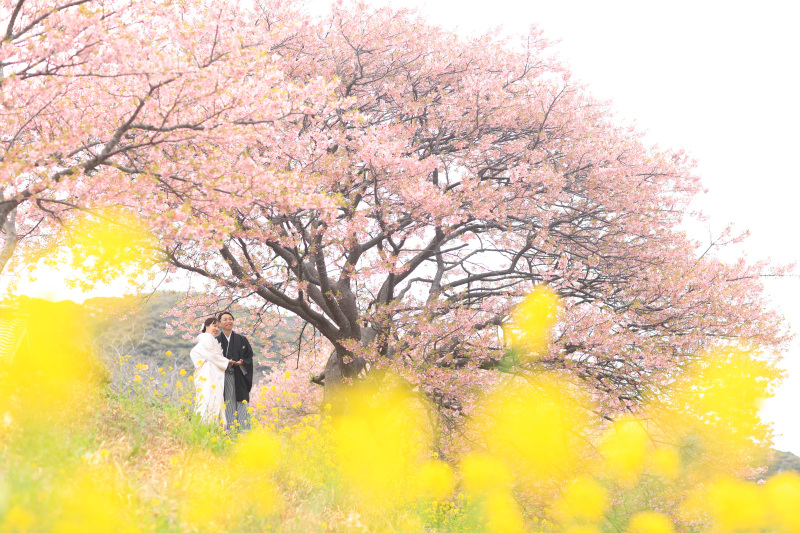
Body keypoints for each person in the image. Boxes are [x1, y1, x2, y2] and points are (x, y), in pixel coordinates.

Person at [216, 311, 254, 431]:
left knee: (242, 401)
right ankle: (230, 432)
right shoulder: (216, 340)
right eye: (225, 319)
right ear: (220, 323)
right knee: (227, 402)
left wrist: (242, 362)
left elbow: (249, 356)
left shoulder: (242, 340)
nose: (228, 321)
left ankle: (244, 432)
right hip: (223, 376)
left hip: (239, 376)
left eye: (230, 319)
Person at [189, 317, 231, 424]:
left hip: (210, 373)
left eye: (218, 327)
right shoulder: (206, 338)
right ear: (207, 326)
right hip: (207, 374)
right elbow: (211, 355)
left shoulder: (211, 339)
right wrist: (227, 362)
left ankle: (209, 425)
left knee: (211, 397)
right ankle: (207, 424)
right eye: (214, 326)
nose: (216, 329)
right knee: (209, 397)